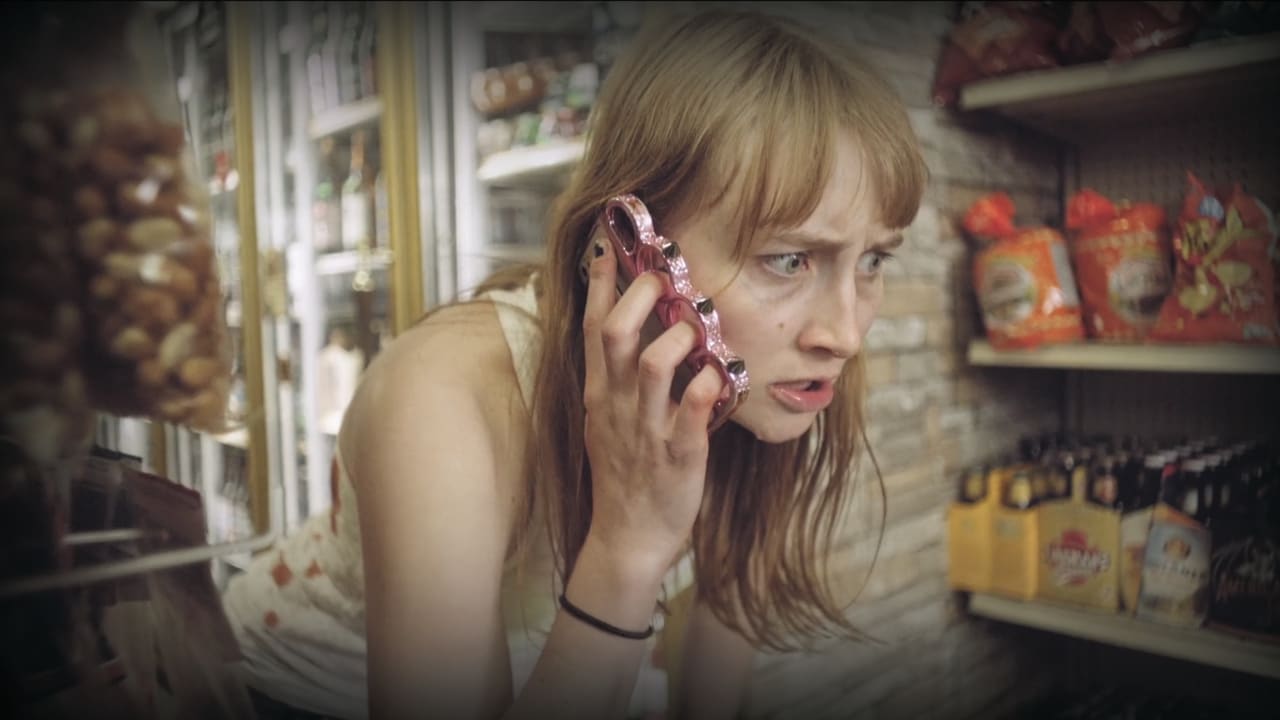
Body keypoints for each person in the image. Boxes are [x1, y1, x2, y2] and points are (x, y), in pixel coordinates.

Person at [221, 7, 927, 720]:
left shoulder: (771, 382)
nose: (846, 334)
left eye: (873, 260)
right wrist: (627, 546)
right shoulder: (442, 397)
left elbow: (719, 659)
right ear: (630, 245)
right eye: (788, 259)